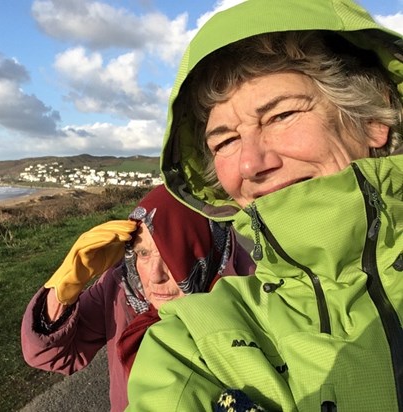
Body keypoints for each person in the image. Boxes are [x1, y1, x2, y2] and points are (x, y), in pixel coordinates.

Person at [125, 0, 403, 411]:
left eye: (280, 115)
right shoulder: (192, 346)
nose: (251, 163)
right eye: (225, 141)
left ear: (372, 118)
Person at [20, 184, 254, 412]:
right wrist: (65, 286)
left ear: (204, 250)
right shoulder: (122, 287)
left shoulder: (250, 296)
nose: (155, 276)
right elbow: (51, 356)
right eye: (143, 253)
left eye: (172, 255)